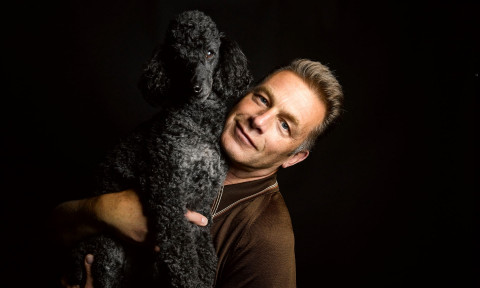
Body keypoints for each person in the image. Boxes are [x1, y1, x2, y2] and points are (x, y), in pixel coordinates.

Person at [52, 58, 344, 288]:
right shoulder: (175, 137)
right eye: (263, 99)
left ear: (294, 158)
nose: (259, 120)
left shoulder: (266, 237)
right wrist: (104, 210)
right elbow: (48, 232)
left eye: (284, 125)